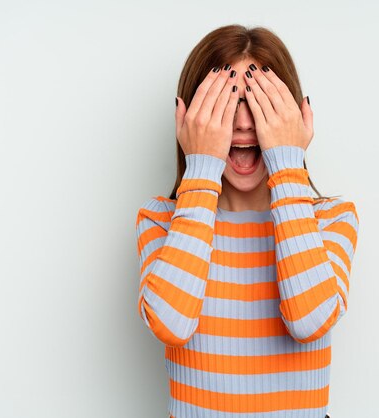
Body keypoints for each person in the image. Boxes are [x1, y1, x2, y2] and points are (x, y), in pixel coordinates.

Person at [135, 24, 359, 418]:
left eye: (259, 104)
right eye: (223, 104)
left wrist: (287, 166)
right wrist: (201, 168)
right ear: (189, 119)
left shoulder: (330, 220)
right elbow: (170, 323)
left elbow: (310, 320)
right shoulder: (161, 222)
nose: (242, 123)